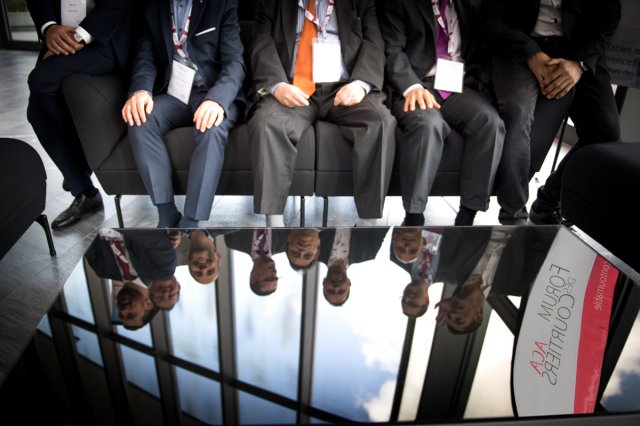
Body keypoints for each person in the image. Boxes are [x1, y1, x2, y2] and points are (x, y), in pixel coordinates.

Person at [248, 0, 396, 227]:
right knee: (267, 122)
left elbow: (374, 43)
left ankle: (368, 221)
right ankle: (274, 224)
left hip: (345, 87)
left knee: (380, 122)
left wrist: (361, 84)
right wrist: (278, 86)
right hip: (293, 87)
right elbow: (261, 42)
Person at [482, 0, 622, 225]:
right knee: (521, 117)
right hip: (522, 44)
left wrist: (580, 63)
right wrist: (530, 52)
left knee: (606, 133)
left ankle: (548, 201)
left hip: (578, 49)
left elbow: (609, 13)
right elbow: (490, 15)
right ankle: (513, 213)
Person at [377, 0, 504, 226]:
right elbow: (392, 50)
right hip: (416, 84)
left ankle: (468, 213)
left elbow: (480, 50)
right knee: (428, 125)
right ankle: (414, 214)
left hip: (456, 86)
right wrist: (410, 86)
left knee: (490, 123)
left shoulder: (469, 5)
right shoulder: (401, 3)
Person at [121, 0, 245, 228]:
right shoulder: (152, 6)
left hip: (212, 90)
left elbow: (234, 62)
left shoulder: (221, 4)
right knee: (140, 118)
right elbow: (145, 57)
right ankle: (166, 213)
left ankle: (191, 220)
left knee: (211, 126)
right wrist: (141, 90)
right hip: (175, 93)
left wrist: (217, 99)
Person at [26, 0, 135, 230]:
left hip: (106, 35)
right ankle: (85, 191)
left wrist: (80, 36)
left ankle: (82, 164)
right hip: (58, 36)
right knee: (36, 112)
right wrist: (49, 28)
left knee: (41, 81)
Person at [434, 226, 558, 334]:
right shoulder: (516, 286)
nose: (453, 313)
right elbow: (544, 242)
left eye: (449, 315)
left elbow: (455, 224)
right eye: (459, 320)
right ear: (478, 317)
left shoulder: (450, 267)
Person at [85, 228, 178, 317]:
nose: (123, 310)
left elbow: (82, 235)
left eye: (159, 298)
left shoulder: (102, 270)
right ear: (149, 302)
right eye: (130, 315)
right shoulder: (162, 267)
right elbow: (146, 230)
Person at [318, 228, 387, 305]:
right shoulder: (369, 251)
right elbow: (385, 224)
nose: (336, 288)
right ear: (349, 283)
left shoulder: (314, 250)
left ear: (324, 282)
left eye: (331, 291)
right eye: (341, 291)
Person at [225, 229, 289, 295]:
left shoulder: (233, 240)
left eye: (268, 278)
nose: (274, 272)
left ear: (254, 277)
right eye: (276, 277)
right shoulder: (287, 242)